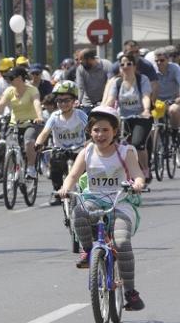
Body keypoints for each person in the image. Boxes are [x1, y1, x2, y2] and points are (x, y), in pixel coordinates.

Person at [58, 105, 145, 310]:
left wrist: (138, 184)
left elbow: (137, 173)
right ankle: (89, 253)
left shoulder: (126, 151)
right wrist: (65, 189)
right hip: (93, 200)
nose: (100, 134)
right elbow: (72, 176)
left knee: (122, 242)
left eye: (106, 130)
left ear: (115, 131)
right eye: (96, 130)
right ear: (90, 131)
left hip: (120, 203)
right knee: (78, 212)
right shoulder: (87, 152)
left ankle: (131, 293)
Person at [34, 81, 89, 205]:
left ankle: (86, 193)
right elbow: (44, 132)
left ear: (74, 100)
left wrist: (90, 142)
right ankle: (57, 192)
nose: (62, 104)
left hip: (79, 150)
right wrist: (38, 143)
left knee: (84, 170)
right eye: (59, 101)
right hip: (60, 150)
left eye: (66, 100)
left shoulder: (80, 115)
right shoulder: (54, 116)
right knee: (55, 167)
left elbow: (91, 129)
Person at [102, 52, 153, 179]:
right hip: (122, 118)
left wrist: (146, 110)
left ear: (135, 66)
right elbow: (111, 99)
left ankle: (145, 169)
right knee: (113, 142)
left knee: (138, 144)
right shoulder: (117, 82)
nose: (125, 66)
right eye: (122, 64)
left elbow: (146, 96)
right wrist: (105, 111)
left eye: (129, 64)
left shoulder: (142, 80)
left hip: (140, 117)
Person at [0, 66, 44, 179]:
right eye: (8, 79)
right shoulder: (9, 90)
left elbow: (36, 103)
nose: (9, 81)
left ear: (19, 78)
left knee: (29, 140)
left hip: (30, 122)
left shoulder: (32, 90)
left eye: (11, 78)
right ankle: (11, 169)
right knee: (9, 145)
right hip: (15, 123)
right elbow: (0, 105)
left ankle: (31, 167)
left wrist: (39, 117)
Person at [151, 46, 180, 131]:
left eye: (162, 60)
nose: (159, 63)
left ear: (168, 60)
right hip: (158, 102)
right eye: (157, 61)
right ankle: (155, 141)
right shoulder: (152, 69)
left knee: (174, 110)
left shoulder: (175, 68)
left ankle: (175, 131)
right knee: (154, 121)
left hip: (173, 100)